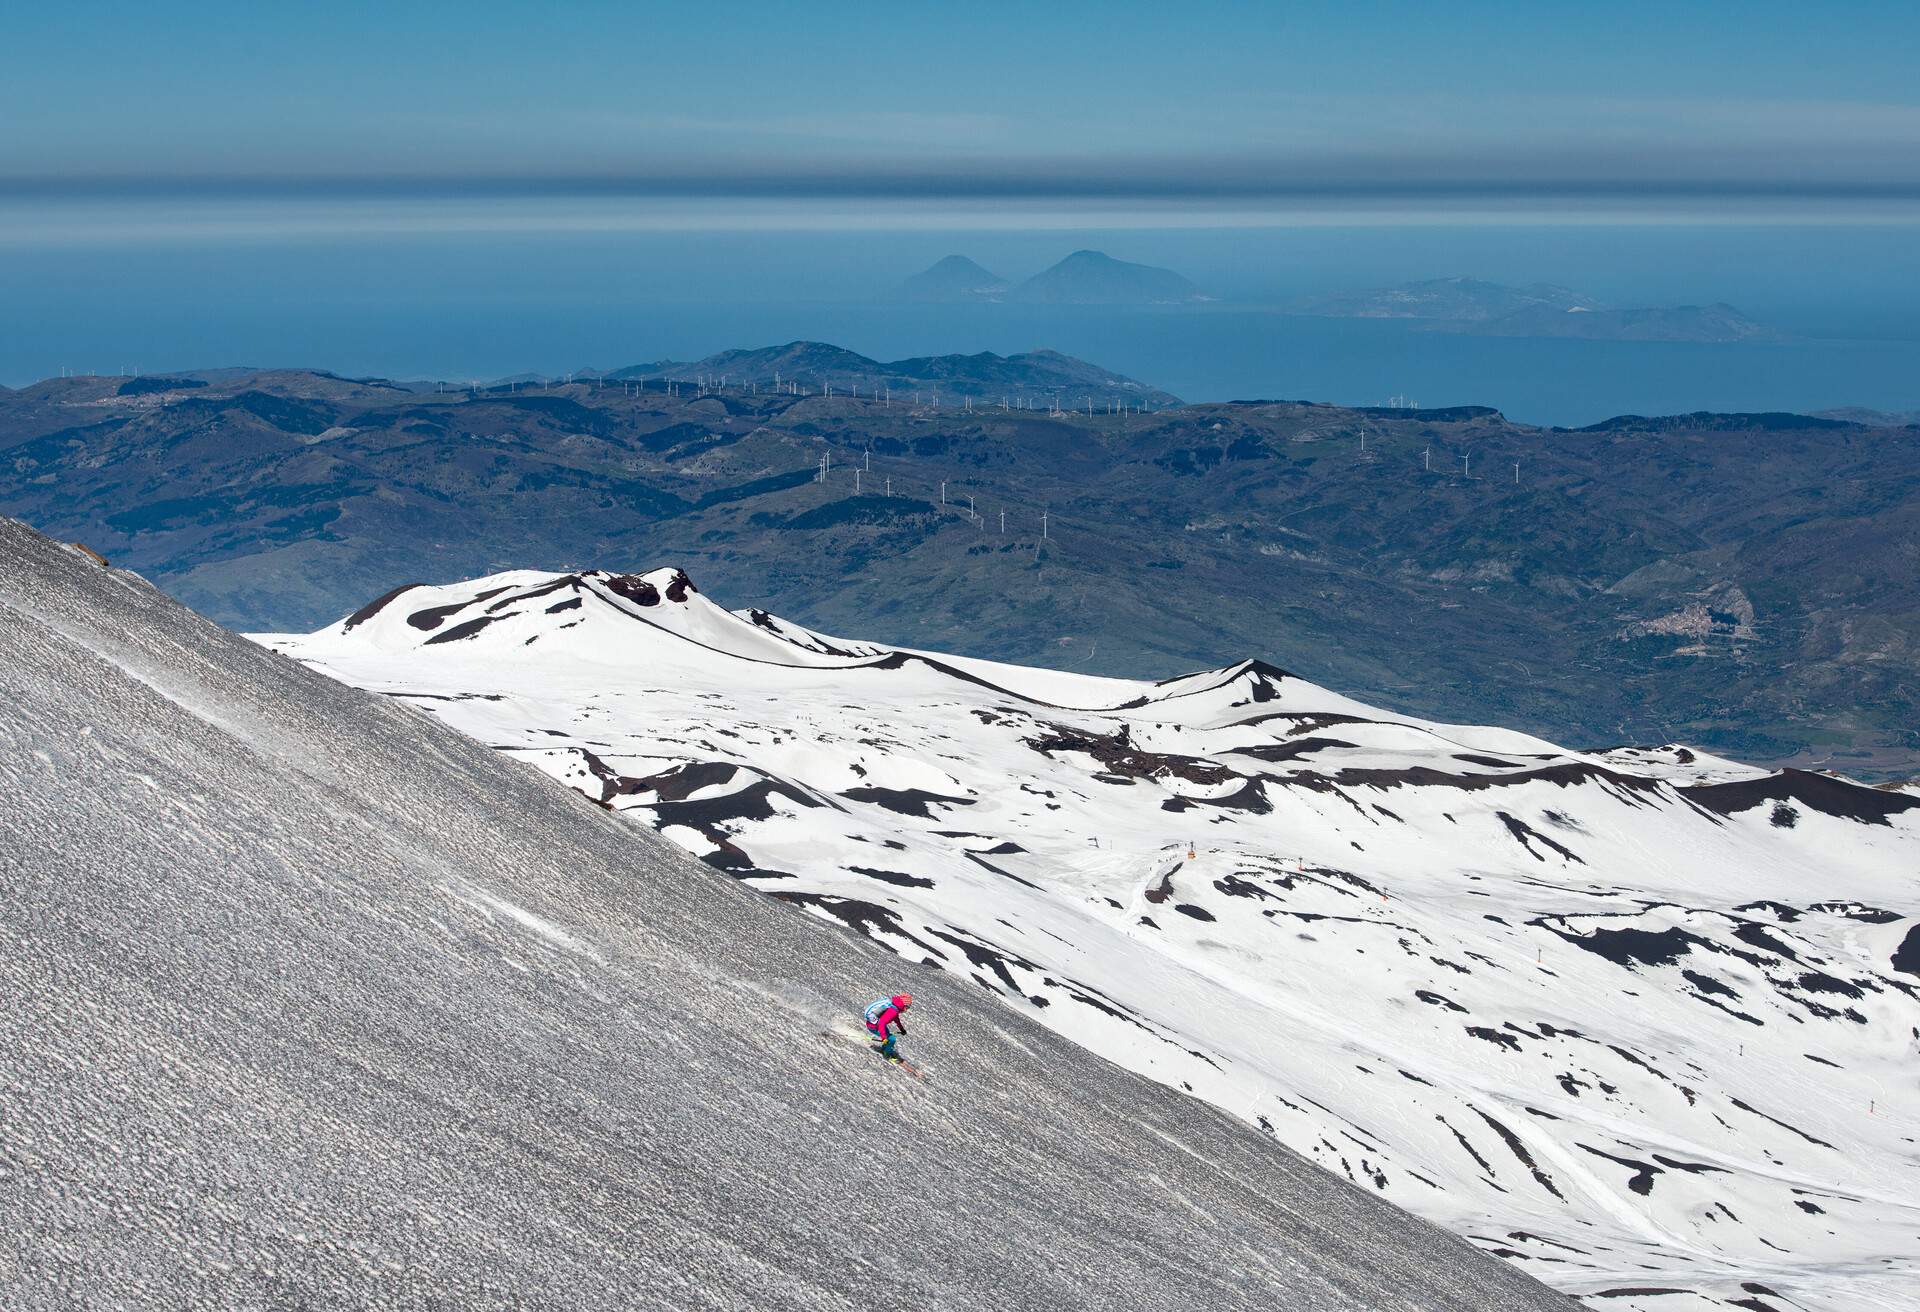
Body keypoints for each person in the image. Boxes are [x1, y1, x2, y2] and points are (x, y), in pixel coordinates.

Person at [863, 993, 912, 1061]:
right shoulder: (893, 1010)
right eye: (907, 1007)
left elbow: (896, 1019)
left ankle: (885, 1048)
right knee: (892, 1039)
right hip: (874, 1027)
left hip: (875, 1024)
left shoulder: (894, 1007)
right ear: (903, 1005)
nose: (906, 1010)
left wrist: (902, 1029)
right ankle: (886, 1054)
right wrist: (884, 1037)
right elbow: (882, 1023)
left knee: (889, 1037)